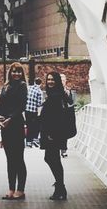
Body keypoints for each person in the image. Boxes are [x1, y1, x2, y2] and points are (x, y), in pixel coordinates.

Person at [39, 70, 72, 200]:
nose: (50, 82)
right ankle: (60, 186)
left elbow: (57, 117)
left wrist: (51, 134)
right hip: (56, 133)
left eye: (53, 79)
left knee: (52, 159)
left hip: (53, 134)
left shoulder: (55, 96)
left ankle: (60, 187)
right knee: (52, 159)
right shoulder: (57, 94)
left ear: (57, 81)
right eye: (48, 79)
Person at [0, 63, 28, 199]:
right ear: (10, 72)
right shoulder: (5, 86)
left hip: (16, 125)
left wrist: (10, 118)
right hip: (6, 126)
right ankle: (11, 189)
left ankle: (20, 190)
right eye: (14, 71)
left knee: (18, 158)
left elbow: (22, 106)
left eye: (19, 72)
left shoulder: (22, 86)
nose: (16, 74)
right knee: (10, 159)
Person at [25, 76, 44, 146]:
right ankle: (33, 139)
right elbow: (39, 104)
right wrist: (39, 115)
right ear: (40, 84)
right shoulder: (39, 92)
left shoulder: (29, 88)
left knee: (28, 125)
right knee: (34, 126)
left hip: (26, 110)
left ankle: (28, 141)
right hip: (33, 111)